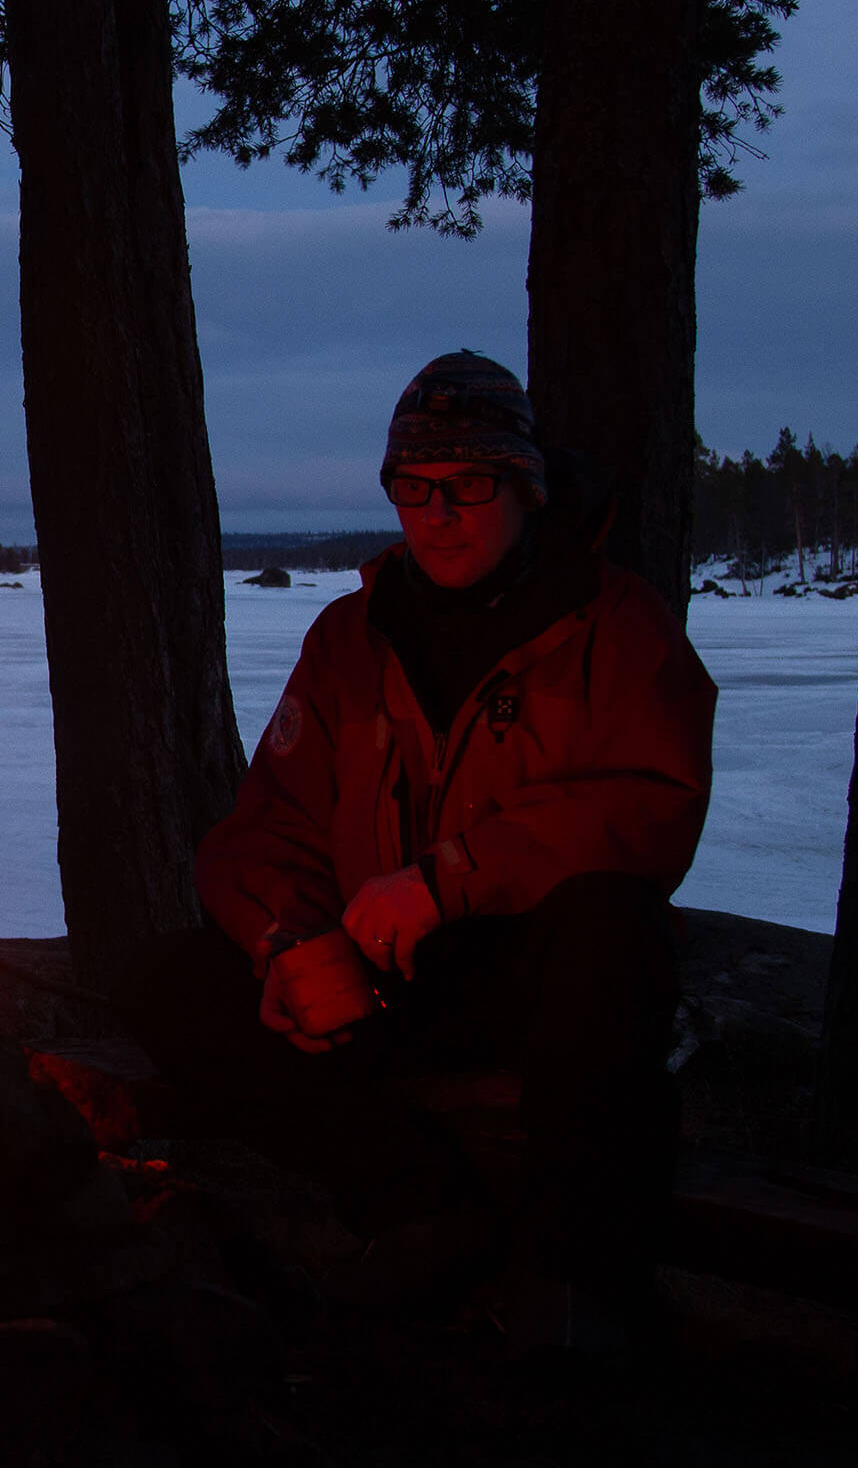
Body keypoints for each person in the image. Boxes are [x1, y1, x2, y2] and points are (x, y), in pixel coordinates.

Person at [118, 350, 717, 1349]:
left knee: (614, 933)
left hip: (534, 982)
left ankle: (575, 1280)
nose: (438, 512)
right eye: (413, 486)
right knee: (172, 979)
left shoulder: (614, 629)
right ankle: (419, 1204)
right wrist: (285, 939)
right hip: (384, 975)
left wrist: (449, 879)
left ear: (524, 485)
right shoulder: (353, 638)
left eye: (468, 484)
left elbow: (649, 807)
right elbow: (266, 825)